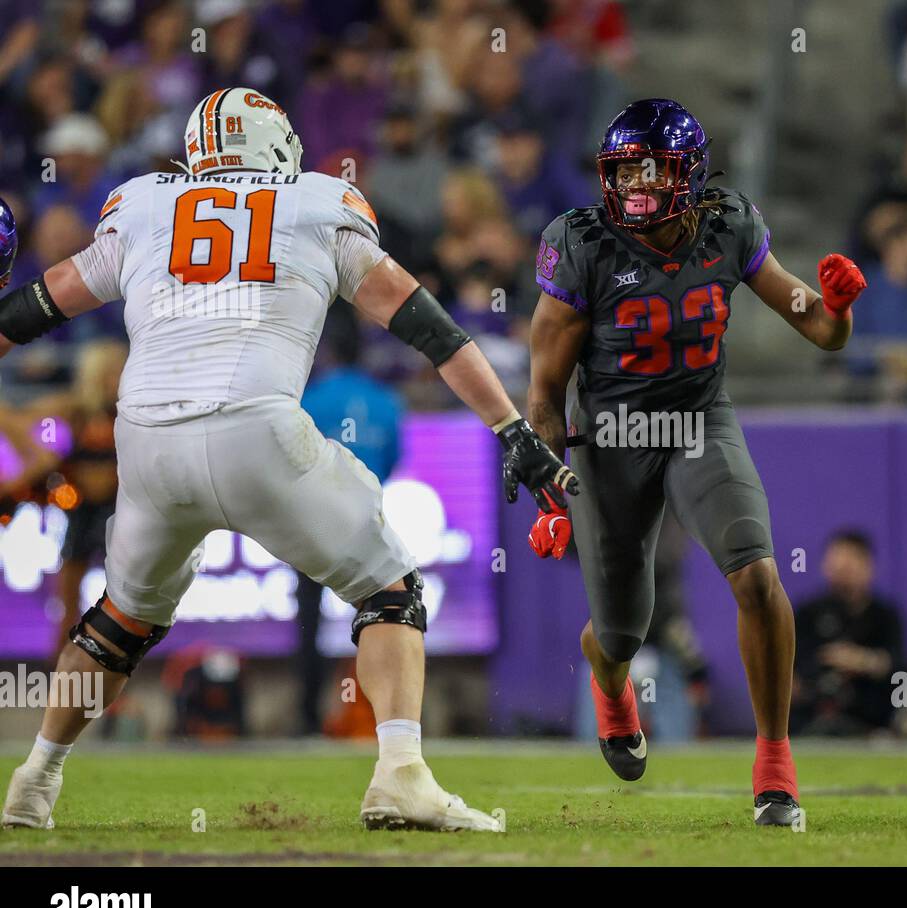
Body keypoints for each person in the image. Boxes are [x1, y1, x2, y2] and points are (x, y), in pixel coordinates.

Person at [0, 87, 575, 833]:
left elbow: (33, 311)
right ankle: (401, 773)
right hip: (254, 428)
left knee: (118, 623)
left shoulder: (142, 206)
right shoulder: (316, 204)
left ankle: (34, 783)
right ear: (277, 150)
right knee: (387, 589)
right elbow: (433, 333)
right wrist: (512, 430)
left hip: (147, 441)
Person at [525, 99, 867, 826]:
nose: (638, 185)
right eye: (626, 170)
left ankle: (774, 763)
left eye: (655, 169)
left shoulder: (728, 224)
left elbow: (817, 328)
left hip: (697, 423)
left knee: (758, 574)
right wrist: (553, 493)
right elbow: (545, 393)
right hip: (608, 437)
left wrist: (835, 308)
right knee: (621, 632)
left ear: (691, 174)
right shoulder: (583, 243)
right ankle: (611, 687)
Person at [295, 312, 404, 736]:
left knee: (308, 620)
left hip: (312, 521)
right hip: (366, 521)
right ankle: (387, 718)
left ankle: (307, 717)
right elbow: (393, 459)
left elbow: (293, 457)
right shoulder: (386, 401)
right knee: (380, 615)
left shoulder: (312, 398)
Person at [0, 340, 127, 661]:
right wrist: (37, 462)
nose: (117, 377)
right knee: (67, 596)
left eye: (120, 370)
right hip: (81, 510)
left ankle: (111, 665)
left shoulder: (132, 409)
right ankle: (62, 666)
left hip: (118, 510)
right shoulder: (74, 409)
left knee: (124, 599)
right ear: (94, 374)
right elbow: (23, 421)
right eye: (111, 371)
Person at [792, 531, 907, 736]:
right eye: (836, 562)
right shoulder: (808, 613)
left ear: (868, 566)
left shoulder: (885, 615)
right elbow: (793, 667)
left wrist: (863, 661)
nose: (843, 570)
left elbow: (899, 664)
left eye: (851, 562)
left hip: (871, 720)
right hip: (814, 718)